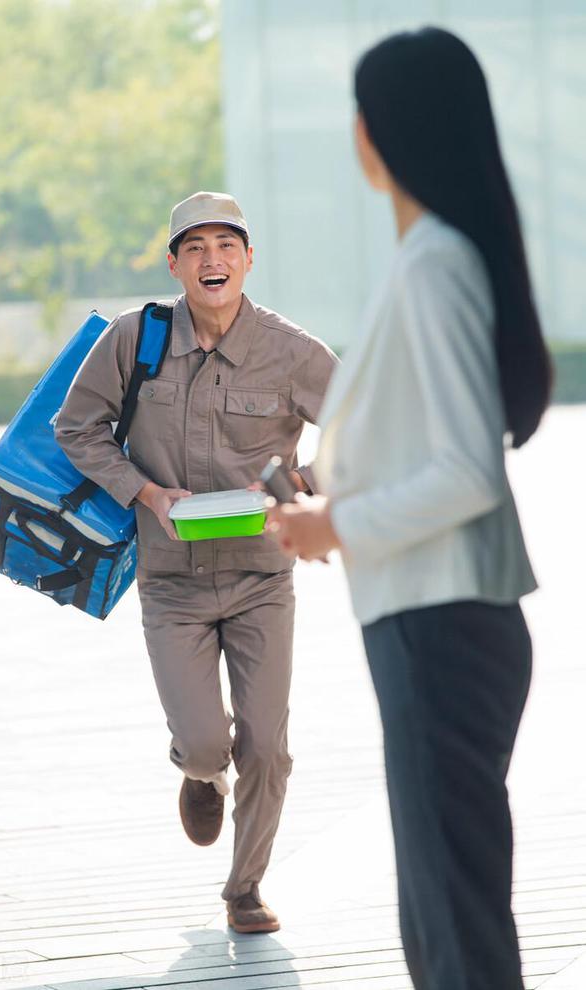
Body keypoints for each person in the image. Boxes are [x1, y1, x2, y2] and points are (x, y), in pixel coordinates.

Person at [268, 28, 552, 990]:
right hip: (437, 623)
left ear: (386, 130)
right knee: (444, 917)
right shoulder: (435, 257)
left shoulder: (432, 265)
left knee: (453, 929)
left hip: (441, 630)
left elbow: (467, 469)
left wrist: (333, 526)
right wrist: (325, 499)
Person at [55, 191, 338, 933]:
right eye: (196, 248)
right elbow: (75, 427)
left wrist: (299, 488)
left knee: (268, 747)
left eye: (227, 245)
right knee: (210, 740)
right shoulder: (133, 339)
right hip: (172, 582)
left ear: (249, 259)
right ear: (175, 263)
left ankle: (244, 889)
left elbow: (363, 426)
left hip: (261, 576)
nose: (213, 260)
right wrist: (144, 491)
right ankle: (200, 771)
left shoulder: (291, 351)